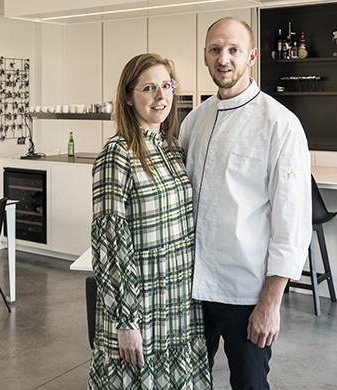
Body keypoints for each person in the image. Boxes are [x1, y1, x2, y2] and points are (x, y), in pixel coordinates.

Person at [178, 17, 311, 389]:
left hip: (246, 293)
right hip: (193, 288)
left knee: (250, 385)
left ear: (251, 56)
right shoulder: (195, 120)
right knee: (188, 382)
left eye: (234, 50)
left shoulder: (280, 125)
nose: (224, 58)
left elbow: (292, 223)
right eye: (216, 50)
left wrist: (270, 303)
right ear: (205, 57)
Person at [89, 53, 210, 389]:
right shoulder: (117, 155)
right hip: (141, 306)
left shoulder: (172, 150)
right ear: (128, 97)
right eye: (149, 88)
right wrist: (125, 321)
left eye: (167, 86)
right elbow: (110, 244)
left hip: (178, 303)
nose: (161, 96)